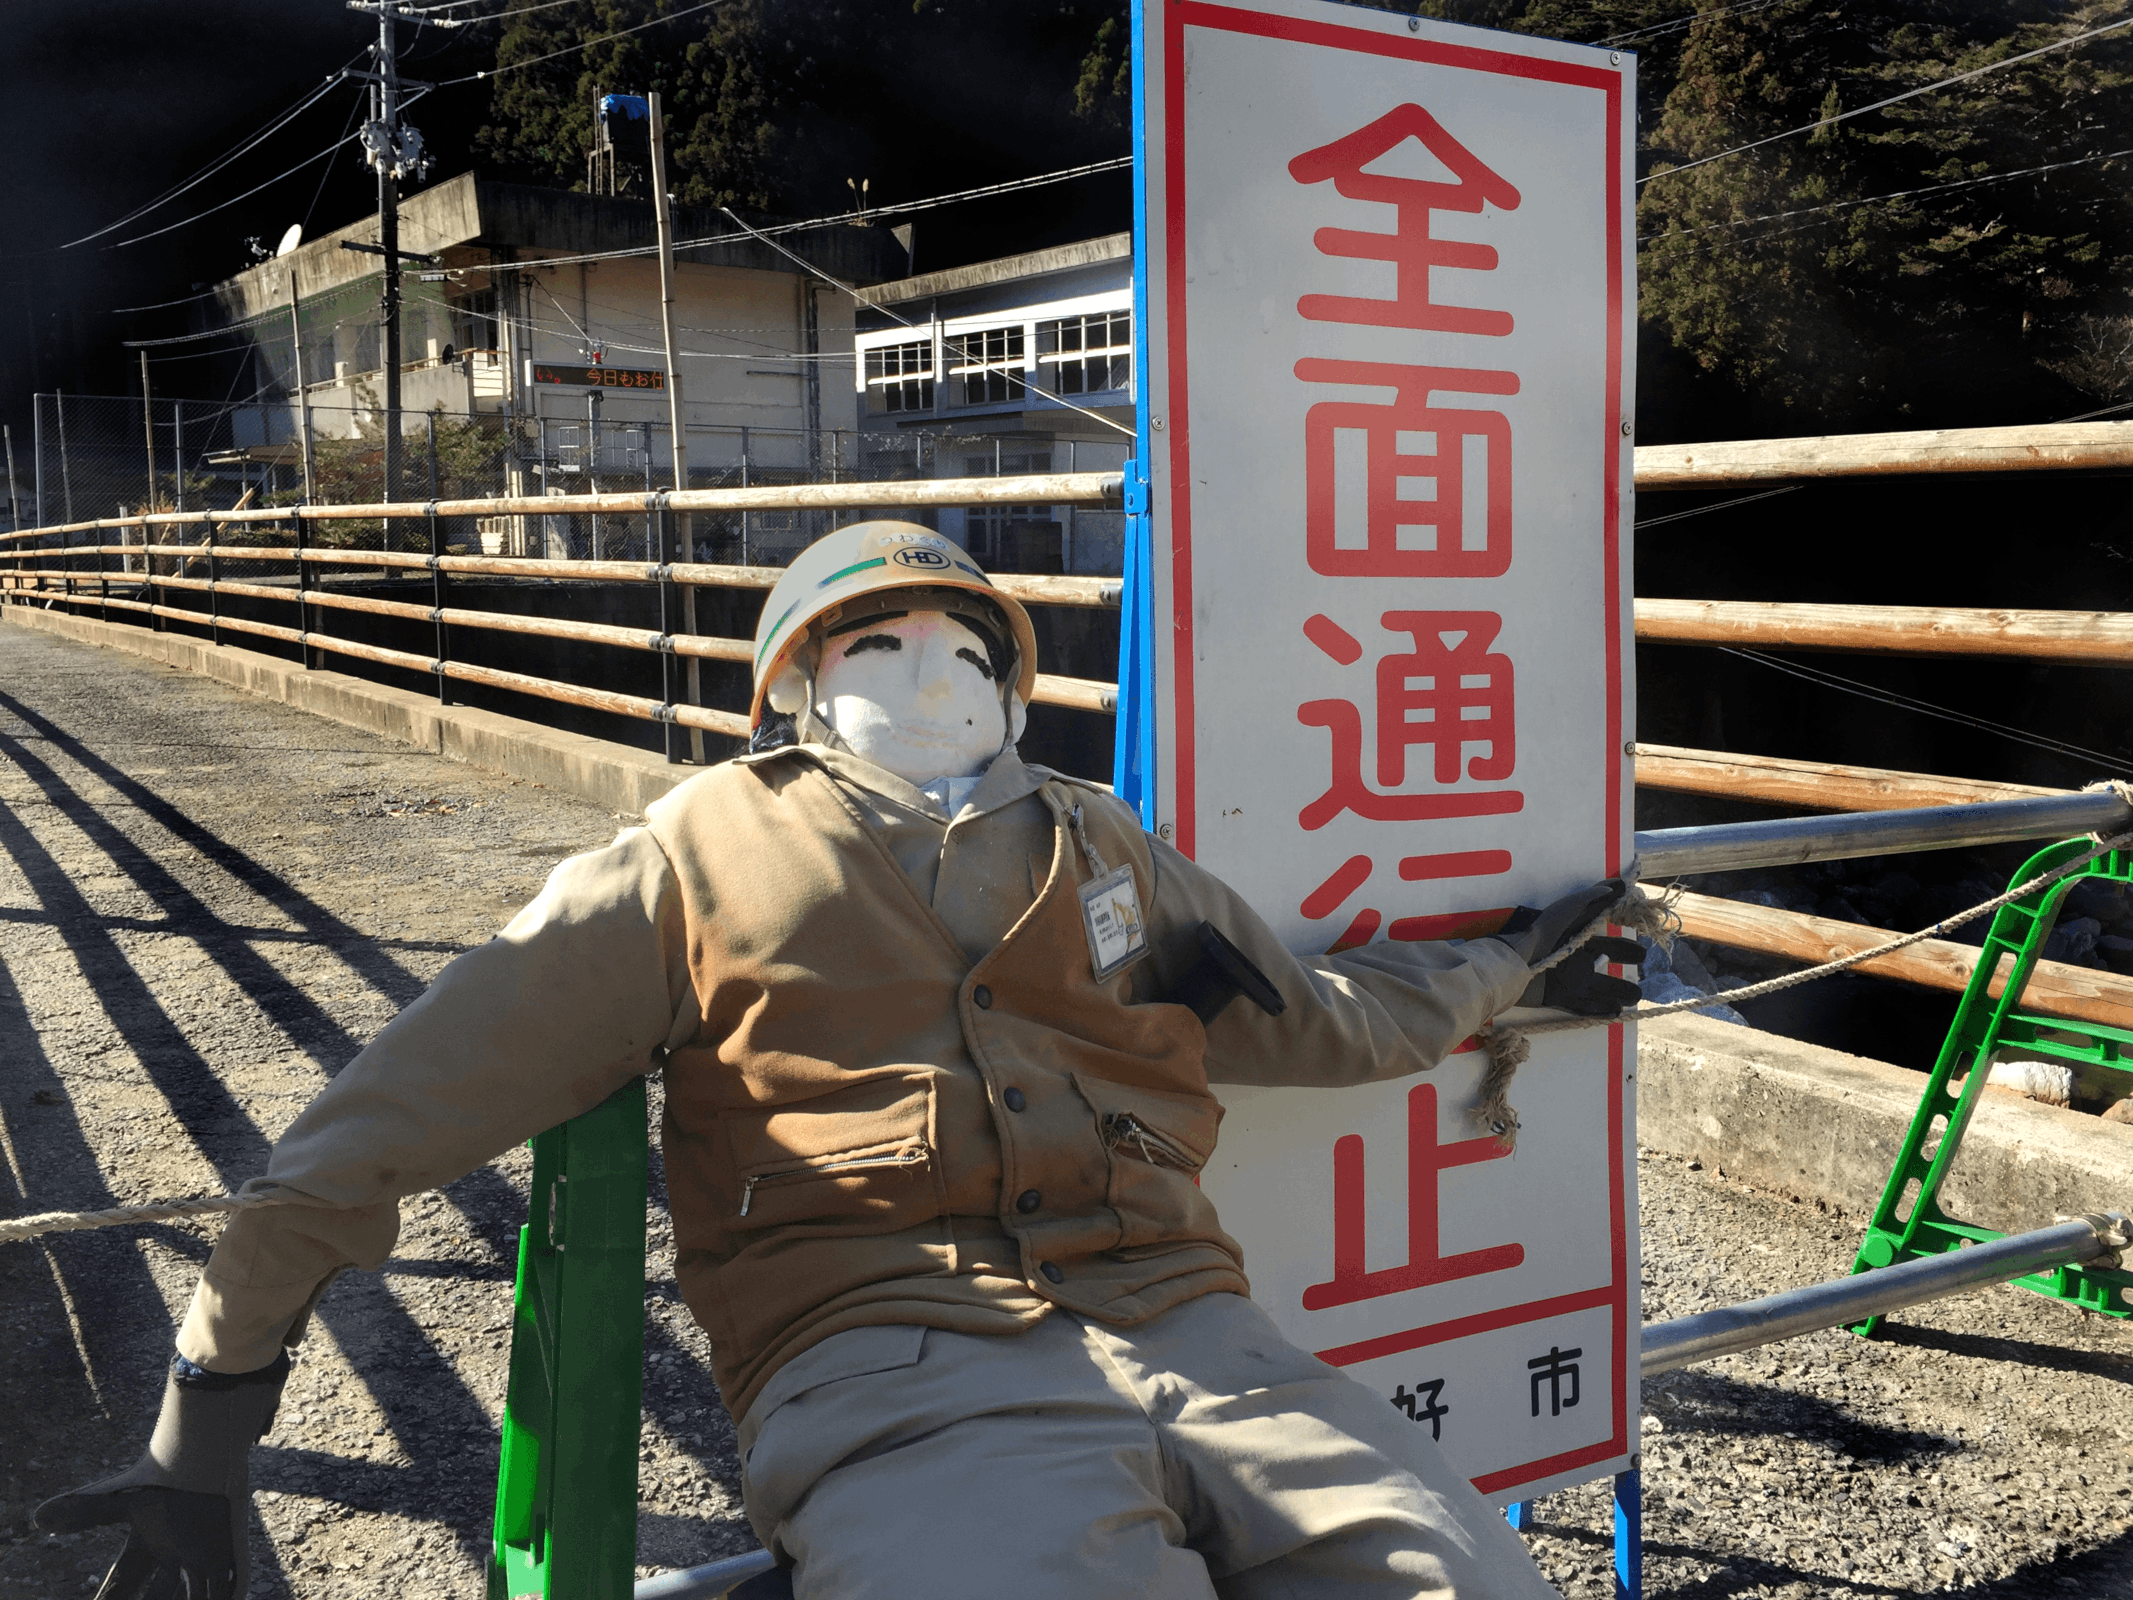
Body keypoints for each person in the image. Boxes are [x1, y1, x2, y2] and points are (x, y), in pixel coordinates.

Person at [38, 522, 1639, 1599]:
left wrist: (1518, 965)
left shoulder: (1111, 853)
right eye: (877, 641)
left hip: (1209, 1338)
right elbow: (384, 1121)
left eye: (964, 645)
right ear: (795, 684)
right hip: (893, 1375)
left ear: (1014, 683)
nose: (930, 669)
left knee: (1470, 1574)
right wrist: (208, 1416)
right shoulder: (686, 862)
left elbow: (1317, 1019)